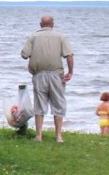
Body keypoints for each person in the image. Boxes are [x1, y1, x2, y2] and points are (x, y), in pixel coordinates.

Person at [20, 14, 74, 143]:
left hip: (39, 74)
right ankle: (59, 136)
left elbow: (24, 55)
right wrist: (70, 72)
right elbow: (69, 55)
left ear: (40, 24)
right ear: (52, 24)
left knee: (39, 103)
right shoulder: (61, 37)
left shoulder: (33, 36)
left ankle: (39, 136)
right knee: (59, 104)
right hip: (56, 75)